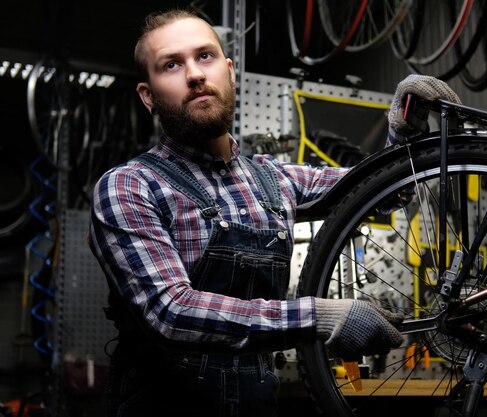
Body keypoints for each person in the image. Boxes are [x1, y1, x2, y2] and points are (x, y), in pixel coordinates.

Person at [88, 7, 462, 417]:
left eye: (205, 57)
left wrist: (404, 132)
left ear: (229, 71)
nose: (194, 74)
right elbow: (172, 312)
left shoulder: (275, 179)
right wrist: (321, 317)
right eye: (171, 65)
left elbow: (376, 191)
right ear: (148, 95)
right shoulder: (129, 186)